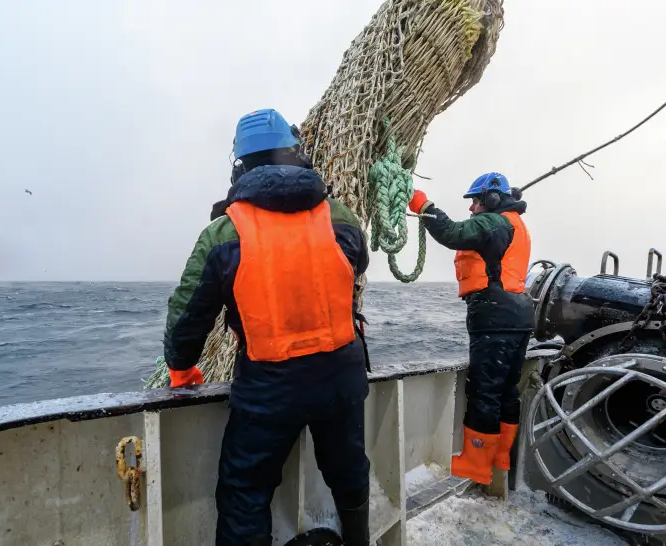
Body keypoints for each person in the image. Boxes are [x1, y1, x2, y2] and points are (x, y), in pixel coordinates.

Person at [163, 108, 372, 546]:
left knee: (245, 491)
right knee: (349, 470)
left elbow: (189, 315)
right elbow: (357, 266)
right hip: (341, 379)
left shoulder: (223, 233)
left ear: (240, 166)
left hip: (269, 388)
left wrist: (181, 368)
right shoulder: (341, 217)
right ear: (296, 155)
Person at [408, 173, 533, 486]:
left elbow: (451, 233)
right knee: (507, 391)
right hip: (519, 316)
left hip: (495, 316)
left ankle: (476, 464)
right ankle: (500, 457)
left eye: (476, 201)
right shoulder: (514, 224)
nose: (472, 208)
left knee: (484, 391)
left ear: (491, 199)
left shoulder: (493, 222)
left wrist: (423, 205)